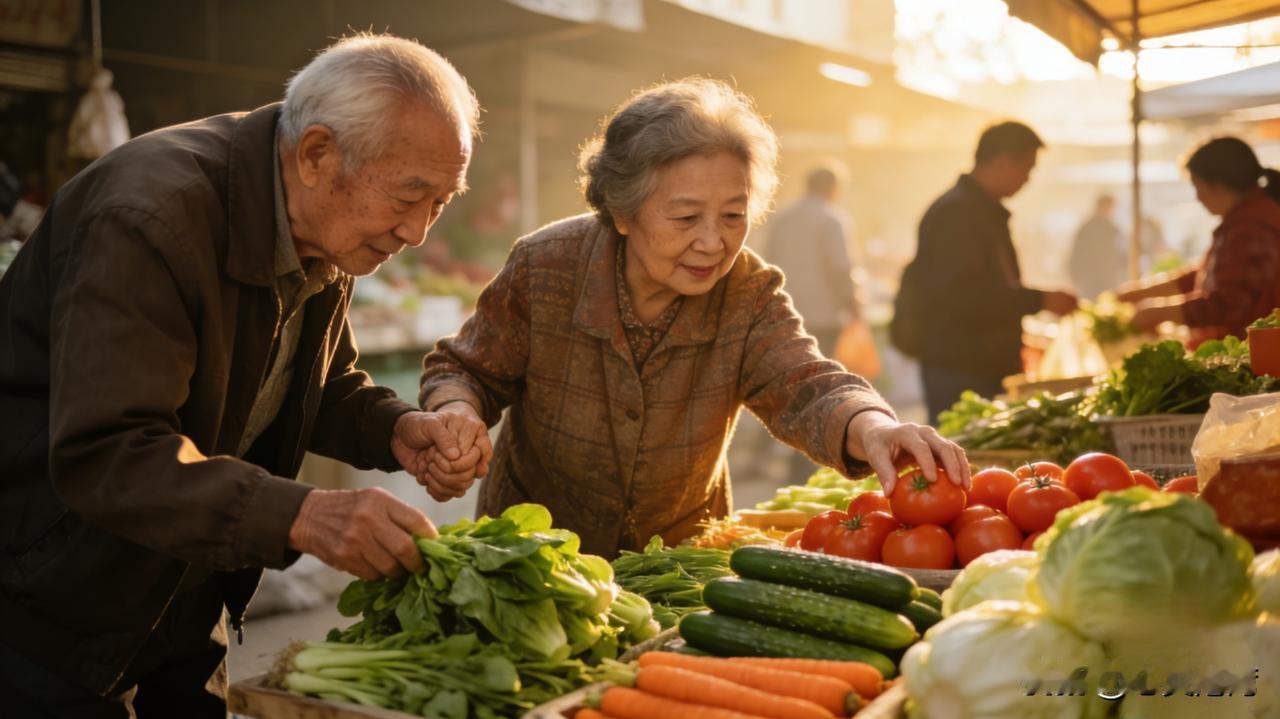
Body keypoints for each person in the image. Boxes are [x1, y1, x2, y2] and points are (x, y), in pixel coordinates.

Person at [0, 34, 492, 717]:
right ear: (318, 154)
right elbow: (109, 450)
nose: (418, 232)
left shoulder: (319, 221)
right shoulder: (149, 218)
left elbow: (311, 381)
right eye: (409, 197)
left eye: (439, 203)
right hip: (53, 597)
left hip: (183, 584)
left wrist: (397, 427)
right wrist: (305, 513)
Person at [416, 78, 970, 557]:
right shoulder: (546, 266)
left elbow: (806, 385)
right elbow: (467, 369)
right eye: (686, 217)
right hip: (530, 553)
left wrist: (874, 427)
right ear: (623, 211)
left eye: (734, 215)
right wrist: (457, 412)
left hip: (676, 561)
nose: (713, 243)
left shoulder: (748, 292)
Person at [895, 121, 1077, 422]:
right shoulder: (956, 214)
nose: (1028, 180)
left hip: (980, 364)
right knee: (961, 455)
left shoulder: (981, 210)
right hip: (960, 368)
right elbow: (962, 296)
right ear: (1003, 162)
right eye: (1027, 169)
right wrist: (1039, 300)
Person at [1118, 136, 1280, 343]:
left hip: (1249, 357)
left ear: (1219, 187)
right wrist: (1143, 293)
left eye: (1197, 186)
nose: (1197, 197)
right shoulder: (1248, 219)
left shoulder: (1251, 229)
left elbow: (1228, 304)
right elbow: (1215, 274)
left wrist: (1160, 313)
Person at [765, 164, 862, 483]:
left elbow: (768, 259)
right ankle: (803, 464)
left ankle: (774, 456)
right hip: (821, 315)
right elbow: (839, 267)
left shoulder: (783, 217)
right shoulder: (831, 218)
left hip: (783, 313)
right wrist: (853, 306)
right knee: (816, 386)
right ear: (832, 188)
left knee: (781, 386)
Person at [1068, 193, 1126, 299]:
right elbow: (1078, 253)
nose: (1110, 210)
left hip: (1107, 277)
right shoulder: (1088, 228)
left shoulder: (1113, 229)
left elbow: (1121, 253)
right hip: (1091, 278)